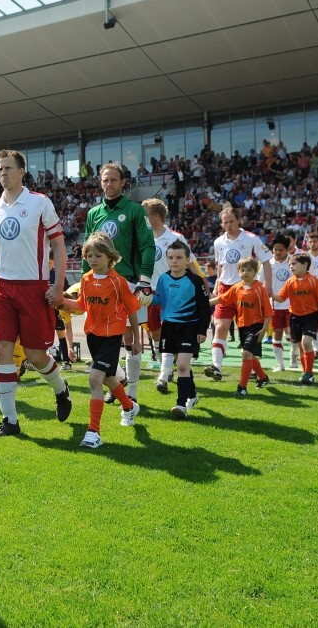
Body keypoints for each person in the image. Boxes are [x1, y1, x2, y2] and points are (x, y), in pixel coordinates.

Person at [0, 149, 71, 438]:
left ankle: (61, 389)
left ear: (22, 172)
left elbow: (58, 245)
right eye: (0, 169)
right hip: (2, 287)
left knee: (35, 355)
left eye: (8, 168)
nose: (3, 173)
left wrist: (58, 285)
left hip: (34, 288)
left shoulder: (39, 202)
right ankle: (9, 420)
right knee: (2, 350)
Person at [59, 233, 142, 448]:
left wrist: (136, 339)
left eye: (98, 255)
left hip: (112, 337)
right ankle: (129, 407)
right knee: (108, 378)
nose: (93, 259)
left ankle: (93, 432)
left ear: (109, 257)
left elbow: (132, 311)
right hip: (93, 337)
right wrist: (61, 301)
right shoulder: (86, 279)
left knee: (95, 378)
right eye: (89, 255)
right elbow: (81, 305)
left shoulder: (118, 282)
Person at [83, 163, 155, 403]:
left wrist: (145, 279)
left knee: (130, 336)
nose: (109, 184)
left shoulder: (135, 211)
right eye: (105, 180)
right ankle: (119, 379)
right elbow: (87, 250)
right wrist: (81, 281)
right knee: (103, 336)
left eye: (113, 180)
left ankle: (132, 391)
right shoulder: (93, 213)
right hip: (99, 284)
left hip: (128, 282)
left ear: (123, 182)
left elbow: (147, 245)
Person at [141, 198, 209, 393]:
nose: (141, 218)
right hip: (152, 292)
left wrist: (202, 286)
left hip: (174, 292)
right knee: (155, 332)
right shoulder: (143, 238)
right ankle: (168, 369)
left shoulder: (175, 238)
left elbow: (191, 263)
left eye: (144, 215)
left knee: (170, 331)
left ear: (154, 216)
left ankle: (164, 375)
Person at [140, 240, 209, 418]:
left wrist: (202, 330)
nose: (174, 261)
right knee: (181, 365)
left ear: (187, 260)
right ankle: (192, 395)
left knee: (182, 365)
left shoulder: (195, 280)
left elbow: (204, 307)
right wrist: (148, 299)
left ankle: (181, 405)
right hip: (169, 327)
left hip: (189, 327)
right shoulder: (163, 279)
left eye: (178, 257)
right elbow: (160, 299)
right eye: (170, 257)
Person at [205, 207, 272, 381]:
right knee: (221, 327)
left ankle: (255, 371)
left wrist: (268, 285)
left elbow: (266, 261)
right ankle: (216, 367)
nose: (229, 225)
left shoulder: (251, 238)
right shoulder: (218, 242)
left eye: (232, 221)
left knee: (248, 333)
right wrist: (217, 285)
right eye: (225, 222)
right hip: (225, 289)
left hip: (247, 290)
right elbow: (221, 266)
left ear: (239, 220)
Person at [209, 258, 272, 397]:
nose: (245, 272)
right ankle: (263, 377)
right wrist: (204, 303)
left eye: (249, 270)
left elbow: (268, 312)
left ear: (255, 272)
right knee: (251, 356)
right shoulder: (237, 287)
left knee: (246, 354)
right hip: (242, 327)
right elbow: (221, 299)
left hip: (256, 327)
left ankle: (242, 387)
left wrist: (264, 329)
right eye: (242, 270)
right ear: (238, 272)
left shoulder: (259, 289)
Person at [271, 254, 318, 385]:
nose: (291, 266)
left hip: (311, 316)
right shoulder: (290, 281)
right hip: (295, 317)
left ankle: (309, 373)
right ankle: (305, 372)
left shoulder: (314, 281)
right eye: (290, 264)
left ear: (304, 265)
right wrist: (270, 294)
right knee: (301, 346)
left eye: (294, 264)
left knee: (306, 343)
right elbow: (281, 298)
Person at [260, 236, 296, 372]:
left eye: (281, 250)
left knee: (291, 333)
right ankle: (280, 365)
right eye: (275, 249)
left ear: (287, 249)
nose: (278, 252)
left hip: (292, 304)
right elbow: (260, 282)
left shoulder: (293, 262)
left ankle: (294, 356)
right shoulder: (267, 264)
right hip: (274, 305)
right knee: (277, 333)